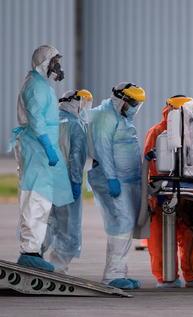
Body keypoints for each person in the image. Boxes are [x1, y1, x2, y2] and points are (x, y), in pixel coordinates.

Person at [13, 45, 74, 271]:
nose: (57, 67)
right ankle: (29, 251)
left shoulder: (41, 85)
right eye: (54, 61)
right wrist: (48, 147)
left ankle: (34, 249)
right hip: (36, 147)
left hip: (40, 148)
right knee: (34, 199)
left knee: (42, 200)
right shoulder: (35, 87)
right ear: (44, 62)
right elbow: (36, 120)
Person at [144, 95, 193, 288]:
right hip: (163, 193)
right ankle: (166, 276)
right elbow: (149, 163)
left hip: (190, 191)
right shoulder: (157, 132)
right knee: (161, 236)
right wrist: (152, 192)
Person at [87, 82, 146, 289]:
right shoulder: (106, 117)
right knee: (122, 223)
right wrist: (111, 178)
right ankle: (112, 276)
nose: (136, 107)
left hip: (126, 180)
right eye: (134, 103)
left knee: (127, 224)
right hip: (111, 179)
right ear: (123, 100)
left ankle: (119, 272)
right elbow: (103, 151)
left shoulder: (121, 117)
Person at [41, 89, 92, 274]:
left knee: (48, 220)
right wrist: (76, 182)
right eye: (83, 103)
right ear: (74, 102)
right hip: (67, 183)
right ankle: (58, 267)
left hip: (46, 181)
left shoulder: (49, 120)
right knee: (67, 226)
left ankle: (34, 255)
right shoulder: (75, 124)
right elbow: (76, 157)